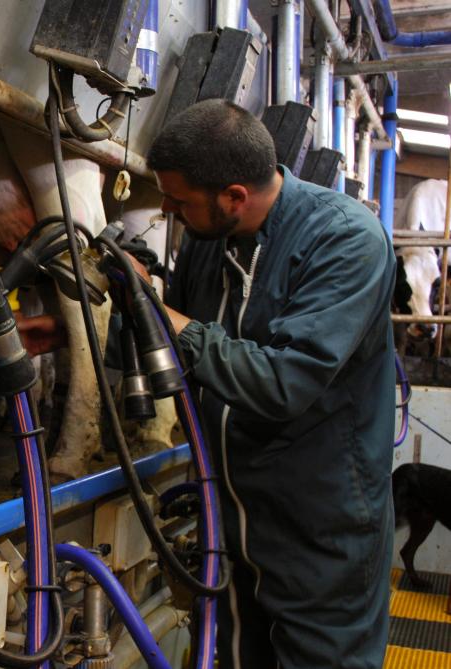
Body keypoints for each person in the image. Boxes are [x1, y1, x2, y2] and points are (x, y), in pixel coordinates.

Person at [147, 99, 395, 668]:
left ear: (234, 196)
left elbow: (285, 382)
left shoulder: (346, 240)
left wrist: (169, 319)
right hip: (233, 524)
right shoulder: (210, 244)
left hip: (322, 533)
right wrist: (79, 328)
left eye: (179, 201)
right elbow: (169, 338)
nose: (166, 209)